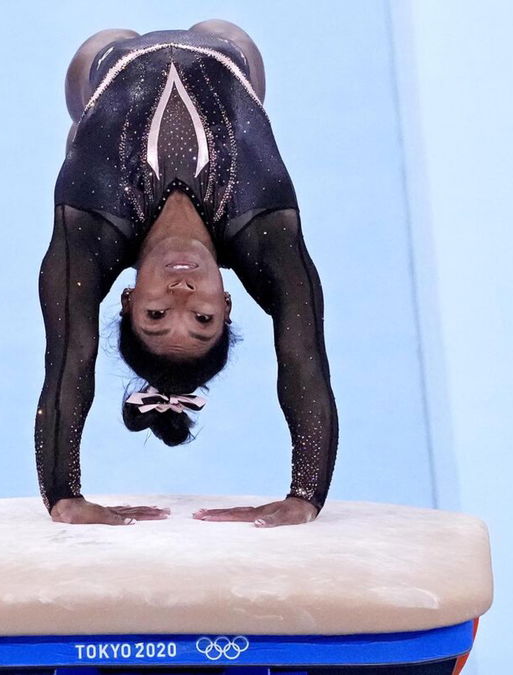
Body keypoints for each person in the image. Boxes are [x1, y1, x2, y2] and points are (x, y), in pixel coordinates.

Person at [36, 20, 338, 528]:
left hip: (106, 66)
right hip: (231, 57)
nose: (181, 292)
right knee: (225, 35)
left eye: (156, 315)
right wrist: (306, 494)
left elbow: (70, 358)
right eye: (201, 317)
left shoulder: (90, 228)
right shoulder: (264, 231)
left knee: (100, 50)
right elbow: (303, 356)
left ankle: (82, 128)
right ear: (227, 304)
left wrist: (64, 496)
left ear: (128, 300)